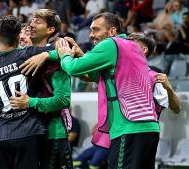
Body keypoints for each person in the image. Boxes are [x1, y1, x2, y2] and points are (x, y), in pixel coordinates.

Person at [22, 12, 160, 169]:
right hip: (150, 127)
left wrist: (60, 55)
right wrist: (78, 54)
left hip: (129, 126)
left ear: (112, 31)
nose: (90, 35)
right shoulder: (132, 48)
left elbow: (73, 68)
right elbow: (92, 76)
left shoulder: (111, 44)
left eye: (96, 30)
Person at [0, 15, 56, 169]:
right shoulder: (28, 54)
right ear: (18, 35)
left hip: (1, 135)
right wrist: (45, 54)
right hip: (28, 131)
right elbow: (61, 47)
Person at [9, 9, 73, 169]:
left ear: (50, 30)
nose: (31, 24)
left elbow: (63, 100)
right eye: (32, 20)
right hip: (28, 134)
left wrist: (30, 102)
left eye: (37, 21)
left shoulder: (56, 62)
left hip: (52, 135)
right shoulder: (21, 58)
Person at [127, 32, 181, 115]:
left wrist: (169, 88)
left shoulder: (154, 78)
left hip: (145, 127)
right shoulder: (115, 74)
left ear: (144, 50)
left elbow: (176, 109)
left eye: (131, 45)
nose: (125, 48)